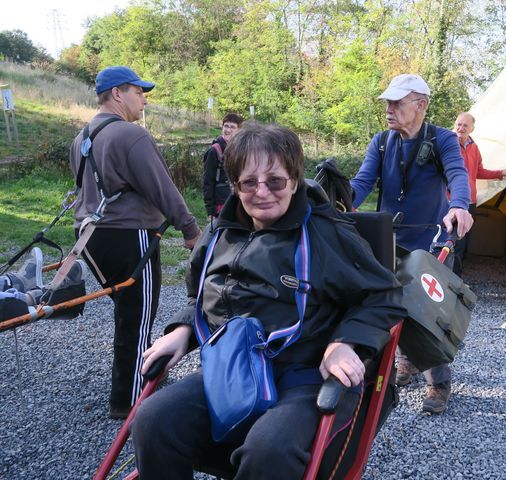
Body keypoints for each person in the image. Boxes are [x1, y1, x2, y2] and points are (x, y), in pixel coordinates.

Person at [131, 123, 405, 479]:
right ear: (235, 185)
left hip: (304, 374)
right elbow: (198, 292)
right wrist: (185, 327)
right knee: (153, 420)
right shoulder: (219, 233)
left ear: (293, 181)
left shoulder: (327, 233)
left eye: (275, 181)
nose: (262, 192)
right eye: (249, 182)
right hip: (233, 371)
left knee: (268, 451)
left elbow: (384, 295)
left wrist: (344, 343)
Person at [68, 65, 201, 419]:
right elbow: (162, 188)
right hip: (129, 236)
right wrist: (190, 229)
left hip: (90, 237)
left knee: (127, 312)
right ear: (117, 94)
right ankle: (129, 400)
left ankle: (133, 382)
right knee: (138, 318)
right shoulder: (130, 135)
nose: (144, 99)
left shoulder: (82, 137)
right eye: (138, 91)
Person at [350, 73, 473, 414]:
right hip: (387, 239)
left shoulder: (444, 139)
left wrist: (459, 205)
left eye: (396, 103)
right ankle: (407, 361)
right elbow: (362, 182)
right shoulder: (382, 141)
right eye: (387, 102)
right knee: (389, 304)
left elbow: (457, 174)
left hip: (431, 241)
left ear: (420, 105)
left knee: (426, 314)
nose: (389, 109)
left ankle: (439, 382)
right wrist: (339, 200)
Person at [452, 111, 506, 274]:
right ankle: (446, 280)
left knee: (464, 243)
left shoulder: (474, 147)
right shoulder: (448, 144)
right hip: (452, 201)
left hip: (470, 202)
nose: (461, 128)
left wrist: (502, 173)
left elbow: (478, 172)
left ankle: (457, 278)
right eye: (458, 124)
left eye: (465, 125)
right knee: (452, 242)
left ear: (472, 128)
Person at [203, 113, 244, 221]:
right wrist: (210, 211)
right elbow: (208, 182)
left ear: (238, 130)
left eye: (232, 127)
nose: (228, 130)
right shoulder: (214, 151)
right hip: (221, 206)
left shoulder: (241, 150)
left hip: (239, 203)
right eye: (226, 126)